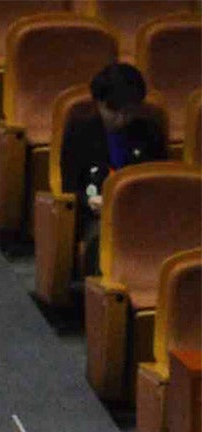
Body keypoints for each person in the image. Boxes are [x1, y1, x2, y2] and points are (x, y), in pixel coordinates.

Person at [59, 62, 167, 274]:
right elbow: (69, 186)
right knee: (104, 242)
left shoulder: (150, 133)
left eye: (129, 112)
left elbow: (159, 182)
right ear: (99, 103)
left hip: (141, 214)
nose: (121, 119)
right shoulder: (79, 133)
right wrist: (89, 201)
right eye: (113, 111)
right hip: (98, 218)